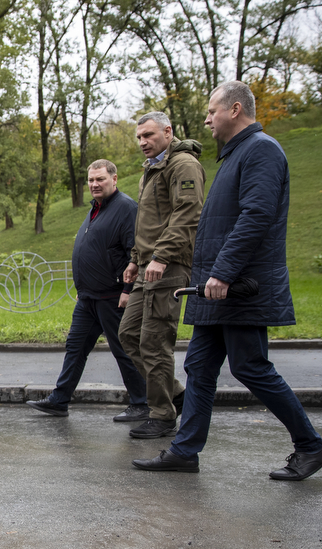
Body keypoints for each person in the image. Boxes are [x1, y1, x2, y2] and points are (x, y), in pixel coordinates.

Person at [133, 81, 322, 480]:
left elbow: (256, 217)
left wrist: (223, 273)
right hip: (215, 287)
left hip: (240, 285)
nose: (206, 119)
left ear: (236, 110)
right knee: (199, 366)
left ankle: (312, 446)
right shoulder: (236, 156)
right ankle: (185, 450)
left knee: (251, 366)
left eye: (212, 111)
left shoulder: (261, 151)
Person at [26, 160, 148, 421]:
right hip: (88, 298)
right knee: (75, 347)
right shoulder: (95, 209)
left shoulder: (126, 208)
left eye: (100, 179)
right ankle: (59, 400)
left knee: (123, 350)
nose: (94, 184)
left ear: (114, 179)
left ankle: (142, 403)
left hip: (113, 295)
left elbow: (134, 253)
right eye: (91, 180)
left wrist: (128, 289)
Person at [118, 111, 206, 439]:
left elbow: (188, 214)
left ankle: (162, 415)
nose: (143, 142)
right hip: (147, 266)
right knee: (129, 334)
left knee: (154, 342)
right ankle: (177, 395)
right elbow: (149, 223)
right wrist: (136, 260)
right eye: (139, 137)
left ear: (168, 132)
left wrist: (160, 257)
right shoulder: (153, 169)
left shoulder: (182, 165)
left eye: (149, 135)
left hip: (167, 267)